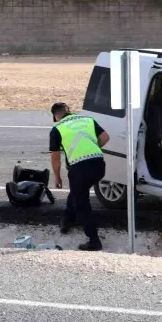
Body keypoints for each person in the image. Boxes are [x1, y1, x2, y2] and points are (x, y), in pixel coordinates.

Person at [49, 102, 110, 251]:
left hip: (80, 169)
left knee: (82, 203)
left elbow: (55, 158)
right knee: (78, 192)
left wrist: (57, 177)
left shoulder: (57, 129)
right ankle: (67, 220)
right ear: (68, 111)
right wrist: (94, 148)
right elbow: (105, 137)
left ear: (56, 116)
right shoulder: (87, 120)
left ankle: (94, 240)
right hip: (98, 165)